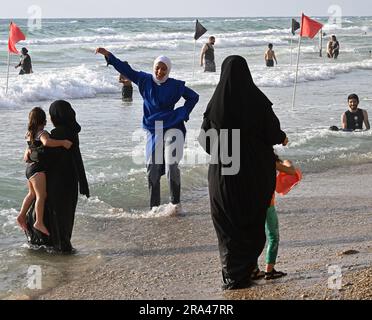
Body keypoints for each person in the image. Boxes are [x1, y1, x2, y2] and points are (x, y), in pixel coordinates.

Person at [199, 55, 288, 290]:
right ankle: (249, 268)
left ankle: (233, 273)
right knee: (251, 219)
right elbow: (273, 132)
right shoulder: (257, 101)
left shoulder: (215, 105)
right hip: (252, 176)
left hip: (223, 177)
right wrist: (279, 139)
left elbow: (204, 141)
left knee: (227, 225)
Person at [96, 48, 199, 214]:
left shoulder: (175, 85)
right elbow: (126, 70)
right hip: (154, 128)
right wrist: (109, 55)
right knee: (152, 169)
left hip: (173, 126)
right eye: (158, 67)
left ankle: (176, 204)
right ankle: (155, 208)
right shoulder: (144, 80)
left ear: (168, 70)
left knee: (172, 166)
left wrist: (182, 113)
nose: (160, 71)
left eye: (164, 68)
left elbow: (194, 97)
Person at [25, 100, 90, 253]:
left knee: (55, 214)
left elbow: (44, 156)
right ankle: (64, 246)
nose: (51, 119)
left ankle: (58, 248)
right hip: (71, 181)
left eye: (52, 115)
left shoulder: (58, 134)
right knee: (65, 216)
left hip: (58, 183)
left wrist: (30, 152)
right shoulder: (71, 132)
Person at [17, 107, 73, 237]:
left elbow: (27, 154)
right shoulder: (42, 133)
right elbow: (47, 142)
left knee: (32, 194)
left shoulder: (29, 134)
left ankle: (21, 216)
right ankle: (39, 222)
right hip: (38, 170)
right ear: (44, 121)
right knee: (42, 196)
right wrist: (63, 142)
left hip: (30, 169)